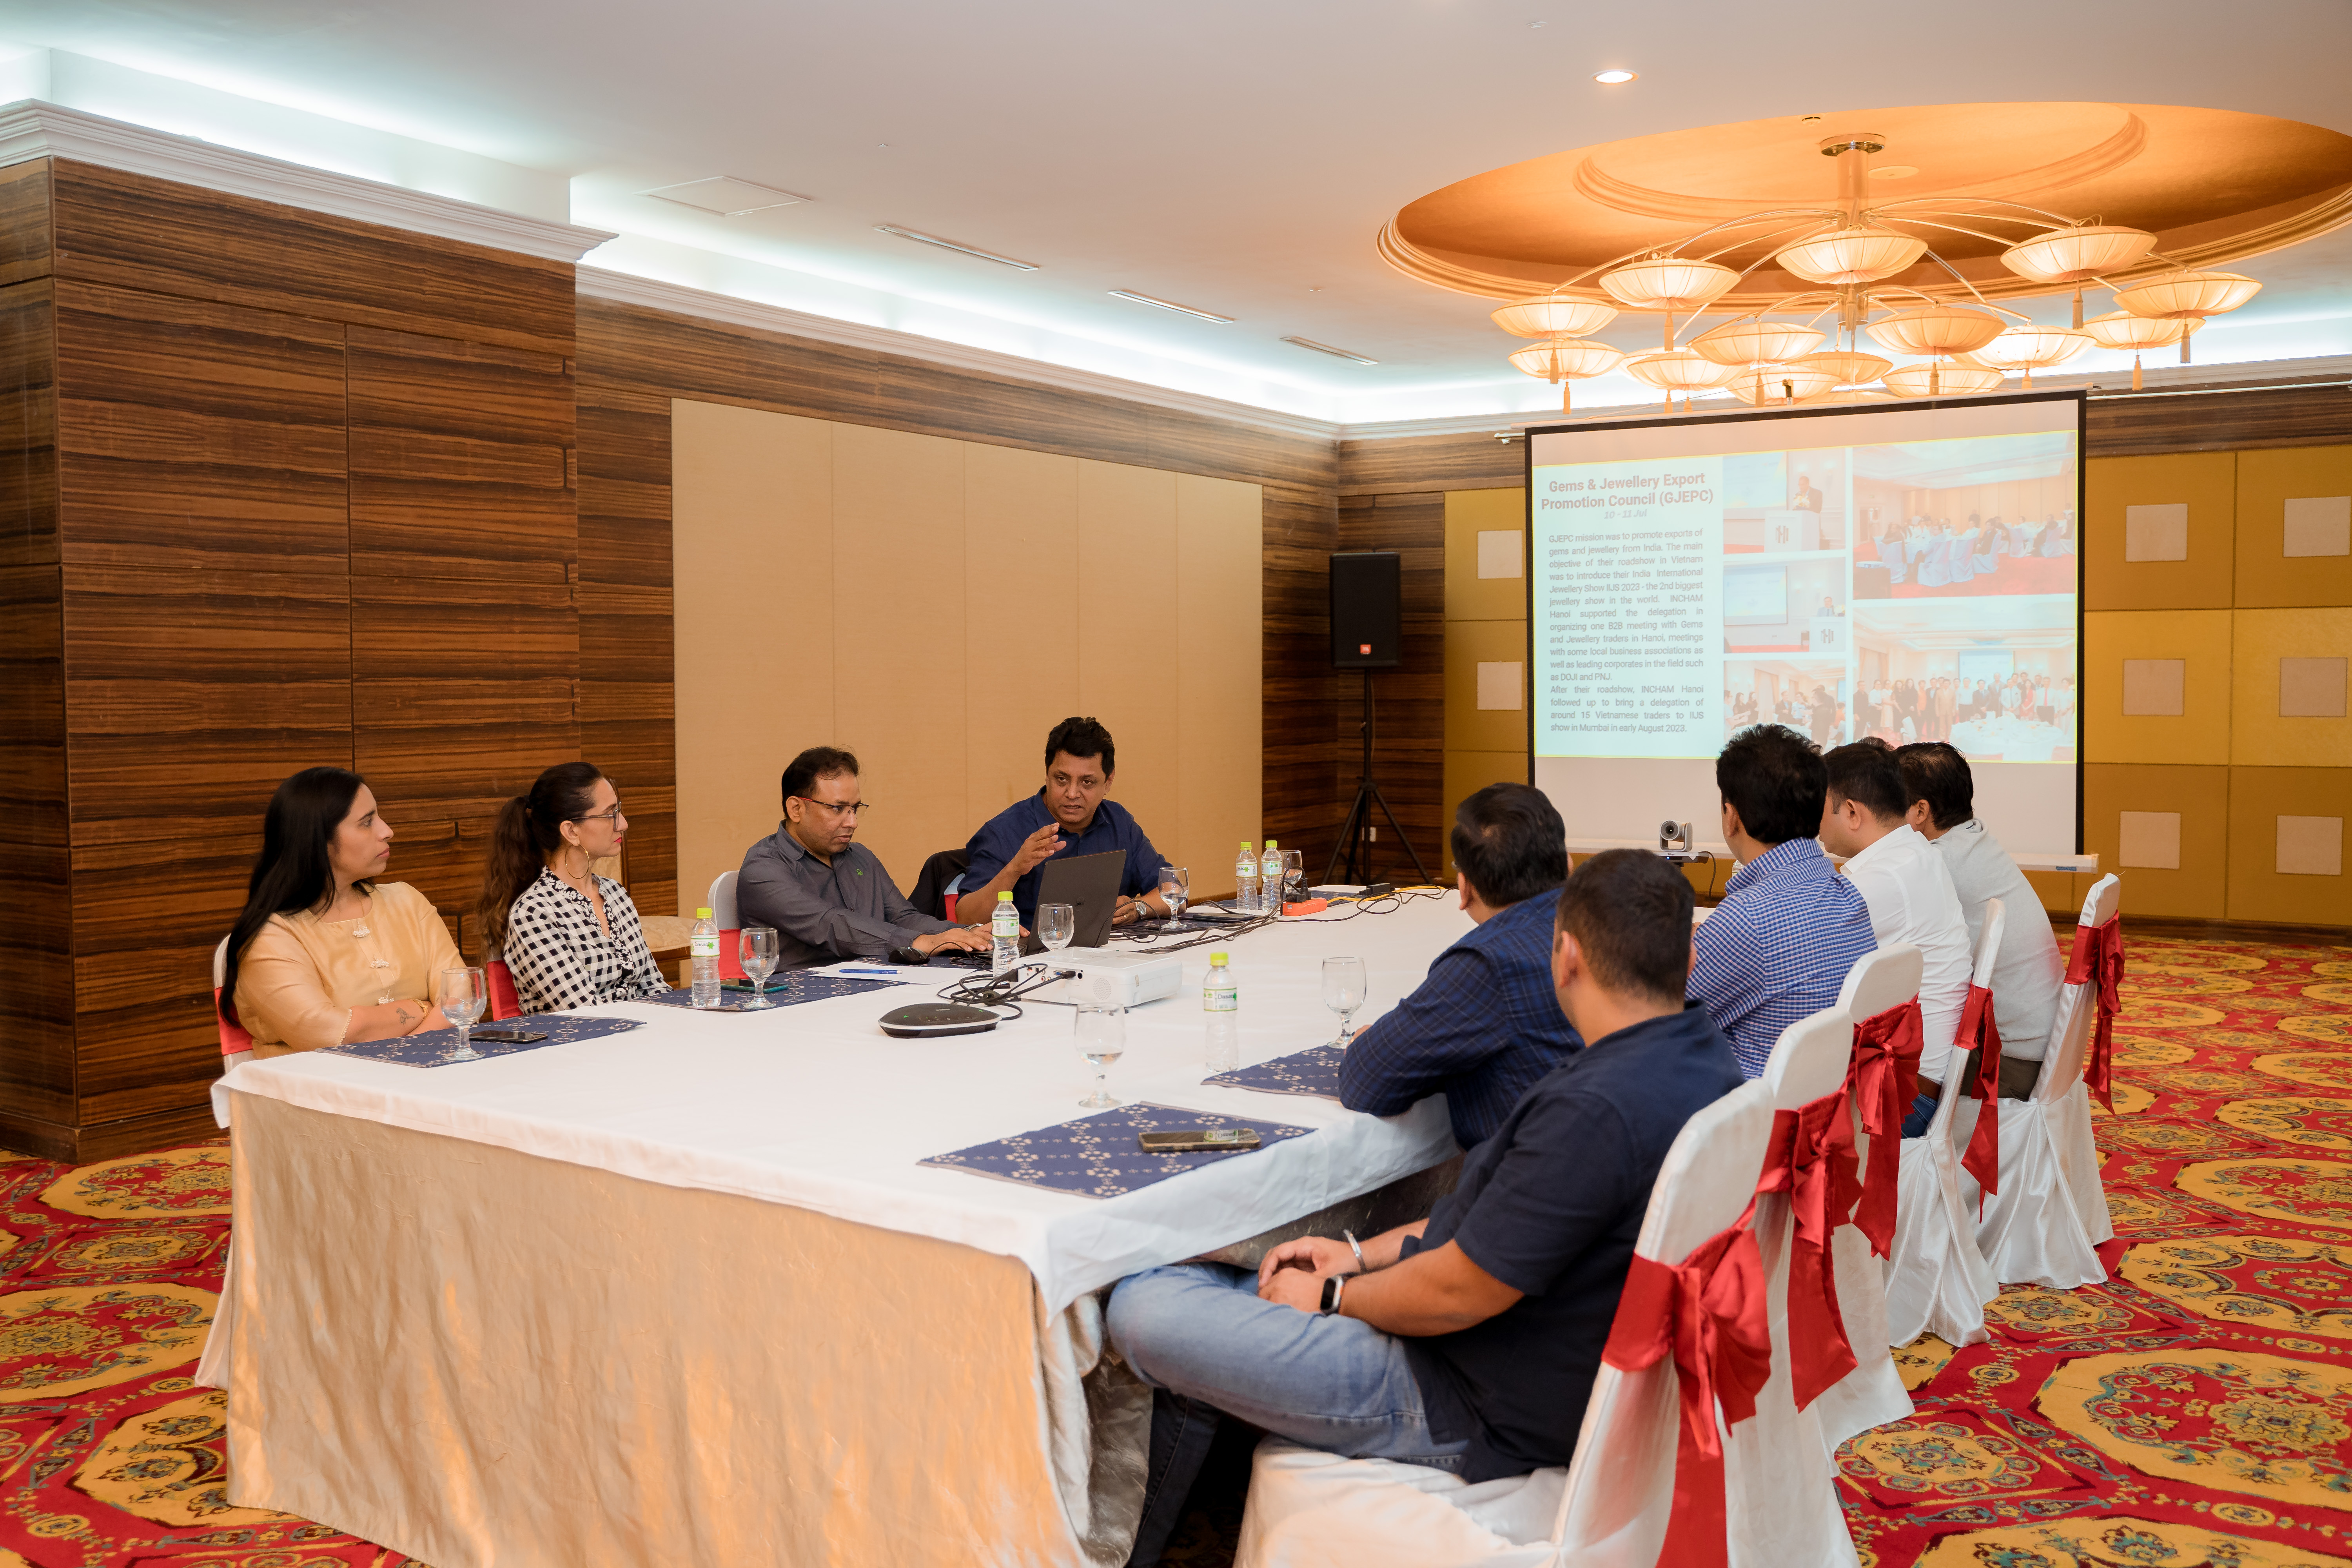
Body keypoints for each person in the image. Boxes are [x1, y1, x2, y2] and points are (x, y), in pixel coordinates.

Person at [1105, 851, 1742, 1559]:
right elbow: (1497, 1219)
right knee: (1225, 1272)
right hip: (1538, 1362)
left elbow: (1461, 1291)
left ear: (1565, 957)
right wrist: (1357, 1254)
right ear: (1690, 955)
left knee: (1145, 1304)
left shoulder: (1595, 1109)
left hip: (1463, 1398)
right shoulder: (1707, 1058)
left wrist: (1334, 1297)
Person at [1337, 783, 1585, 1150]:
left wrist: (1365, 1044)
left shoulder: (1488, 965)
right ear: (1567, 866)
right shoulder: (1610, 925)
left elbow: (1367, 1080)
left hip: (1538, 1173)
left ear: (1464, 887)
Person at [224, 766, 460, 1056]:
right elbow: (328, 1033)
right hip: (317, 1084)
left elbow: (461, 996)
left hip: (427, 1072)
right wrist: (421, 1007)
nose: (387, 831)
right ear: (317, 840)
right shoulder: (270, 936)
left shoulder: (407, 900)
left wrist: (408, 1054)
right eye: (367, 822)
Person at [1687, 725, 1878, 1077]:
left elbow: (1654, 1021)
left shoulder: (1746, 919)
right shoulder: (1847, 895)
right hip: (1823, 1101)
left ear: (1731, 817)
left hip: (1745, 1105)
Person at [1818, 743, 1973, 1137]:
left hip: (1907, 1097)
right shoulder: (1913, 851)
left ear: (1852, 813)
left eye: (1820, 808)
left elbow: (1802, 950)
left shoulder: (1884, 878)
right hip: (1921, 1077)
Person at [1895, 743, 2064, 1098]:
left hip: (2009, 1062)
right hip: (2041, 1046)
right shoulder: (1973, 836)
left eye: (1890, 802)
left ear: (1920, 811)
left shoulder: (1937, 865)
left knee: (1872, 1061)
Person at [738, 747, 991, 969]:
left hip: (878, 979)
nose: (853, 822)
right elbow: (830, 924)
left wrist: (968, 934)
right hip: (800, 993)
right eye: (838, 809)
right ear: (797, 809)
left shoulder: (860, 856)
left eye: (855, 809)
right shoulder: (764, 868)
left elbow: (903, 917)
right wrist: (918, 943)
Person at [478, 762, 668, 1013]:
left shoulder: (616, 894)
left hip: (644, 1030)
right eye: (609, 814)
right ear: (571, 831)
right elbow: (587, 1013)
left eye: (619, 810)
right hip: (584, 1035)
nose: (623, 824)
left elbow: (655, 988)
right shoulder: (533, 914)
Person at [956, 717, 1171, 926]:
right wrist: (1014, 869)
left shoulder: (1119, 822)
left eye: (1087, 782)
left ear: (1108, 782)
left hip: (1113, 947)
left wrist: (1139, 908)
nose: (1072, 793)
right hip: (1032, 949)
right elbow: (966, 917)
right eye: (1062, 779)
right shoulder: (1004, 831)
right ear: (1047, 775)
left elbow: (1173, 890)